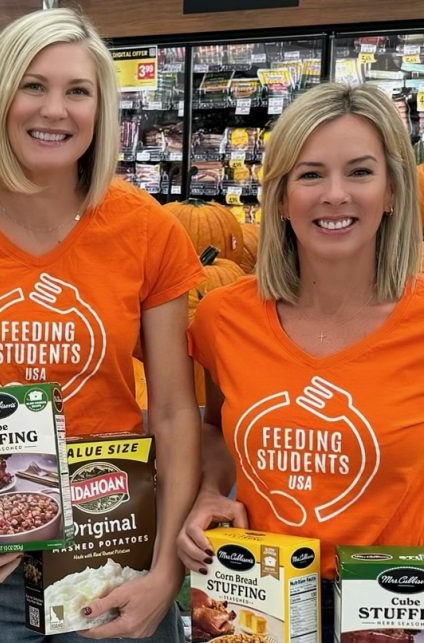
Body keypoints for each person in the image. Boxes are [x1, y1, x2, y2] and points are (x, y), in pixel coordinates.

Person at [0, 7, 204, 642]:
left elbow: (175, 412)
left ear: (101, 110)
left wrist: (167, 576)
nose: (55, 110)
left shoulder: (148, 231)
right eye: (33, 85)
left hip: (118, 549)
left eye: (78, 91)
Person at [181, 82, 423, 642]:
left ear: (391, 192)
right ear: (282, 196)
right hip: (256, 601)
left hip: (392, 611)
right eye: (310, 175)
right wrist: (213, 491)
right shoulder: (224, 317)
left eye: (360, 172)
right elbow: (215, 426)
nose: (334, 194)